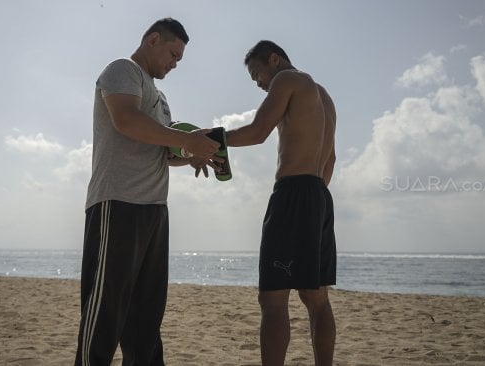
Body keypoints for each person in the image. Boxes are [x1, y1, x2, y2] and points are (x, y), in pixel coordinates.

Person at [74, 18, 220, 366]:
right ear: (152, 39)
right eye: (173, 53)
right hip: (118, 202)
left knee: (146, 319)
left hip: (155, 209)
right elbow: (125, 119)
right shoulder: (123, 70)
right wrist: (185, 139)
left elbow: (162, 152)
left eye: (180, 59)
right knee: (106, 314)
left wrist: (192, 152)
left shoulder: (161, 98)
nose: (175, 63)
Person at [225, 40, 337, 366]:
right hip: (319, 194)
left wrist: (212, 139)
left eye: (258, 74)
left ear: (275, 60)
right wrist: (311, 201)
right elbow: (330, 159)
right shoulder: (324, 96)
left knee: (272, 299)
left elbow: (259, 131)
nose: (260, 84)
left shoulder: (288, 80)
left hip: (293, 194)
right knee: (316, 298)